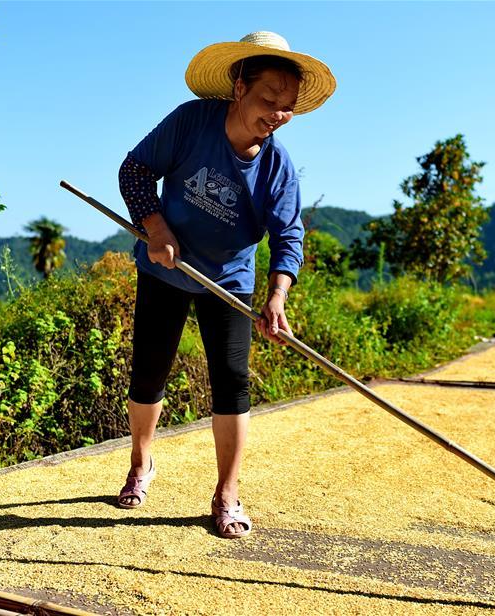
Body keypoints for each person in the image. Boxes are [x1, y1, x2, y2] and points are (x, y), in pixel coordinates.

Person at [116, 32, 335, 539]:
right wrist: (156, 227)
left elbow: (288, 237)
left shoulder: (277, 167)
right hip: (166, 268)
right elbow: (135, 170)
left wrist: (276, 295)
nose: (278, 114)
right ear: (239, 87)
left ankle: (227, 493)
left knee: (232, 381)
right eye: (268, 100)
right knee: (149, 370)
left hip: (229, 282)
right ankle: (141, 462)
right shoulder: (192, 121)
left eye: (288, 107)